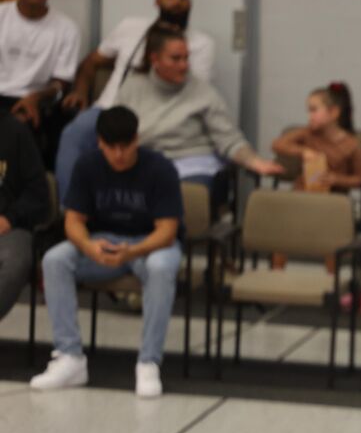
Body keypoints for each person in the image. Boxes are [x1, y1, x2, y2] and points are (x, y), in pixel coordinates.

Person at [30, 107, 182, 398]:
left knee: (162, 268)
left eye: (125, 146)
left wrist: (132, 251)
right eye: (111, 147)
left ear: (137, 139)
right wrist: (88, 246)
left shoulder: (160, 168)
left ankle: (149, 361)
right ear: (100, 142)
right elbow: (73, 221)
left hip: (148, 244)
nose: (119, 154)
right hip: (102, 243)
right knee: (55, 260)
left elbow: (167, 231)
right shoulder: (87, 166)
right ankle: (69, 356)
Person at [56, 0, 215, 202]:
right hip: (109, 108)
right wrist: (80, 90)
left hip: (159, 114)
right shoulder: (130, 27)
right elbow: (92, 62)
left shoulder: (201, 44)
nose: (177, 1)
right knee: (74, 134)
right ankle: (70, 214)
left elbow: (192, 91)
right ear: (156, 1)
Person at [116, 25, 282, 206]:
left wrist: (254, 161)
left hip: (191, 165)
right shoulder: (132, 87)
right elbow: (114, 133)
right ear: (155, 59)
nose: (184, 65)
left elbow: (229, 139)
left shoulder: (202, 92)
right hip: (143, 163)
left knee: (179, 198)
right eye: (175, 59)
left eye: (186, 58)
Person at [0, 0, 81, 162]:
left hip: (37, 100)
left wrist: (36, 98)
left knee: (19, 126)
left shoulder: (66, 28)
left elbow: (61, 82)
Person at [0, 114, 50, 320]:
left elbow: (38, 193)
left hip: (9, 227)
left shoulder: (15, 132)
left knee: (15, 260)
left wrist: (10, 218)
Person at [272, 82, 361, 193]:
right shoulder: (307, 133)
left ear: (334, 112)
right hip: (303, 195)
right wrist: (303, 151)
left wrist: (337, 179)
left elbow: (359, 179)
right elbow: (277, 144)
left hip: (333, 201)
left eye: (314, 110)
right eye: (308, 111)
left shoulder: (351, 144)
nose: (309, 116)